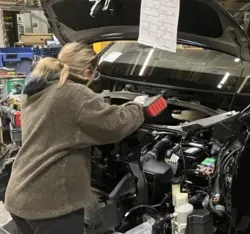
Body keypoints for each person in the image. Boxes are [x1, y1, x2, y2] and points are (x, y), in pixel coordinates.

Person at [4, 42, 148, 234]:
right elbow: (115, 125)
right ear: (88, 70)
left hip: (20, 194)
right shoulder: (74, 93)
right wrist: (138, 106)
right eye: (95, 74)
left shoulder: (39, 86)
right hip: (50, 206)